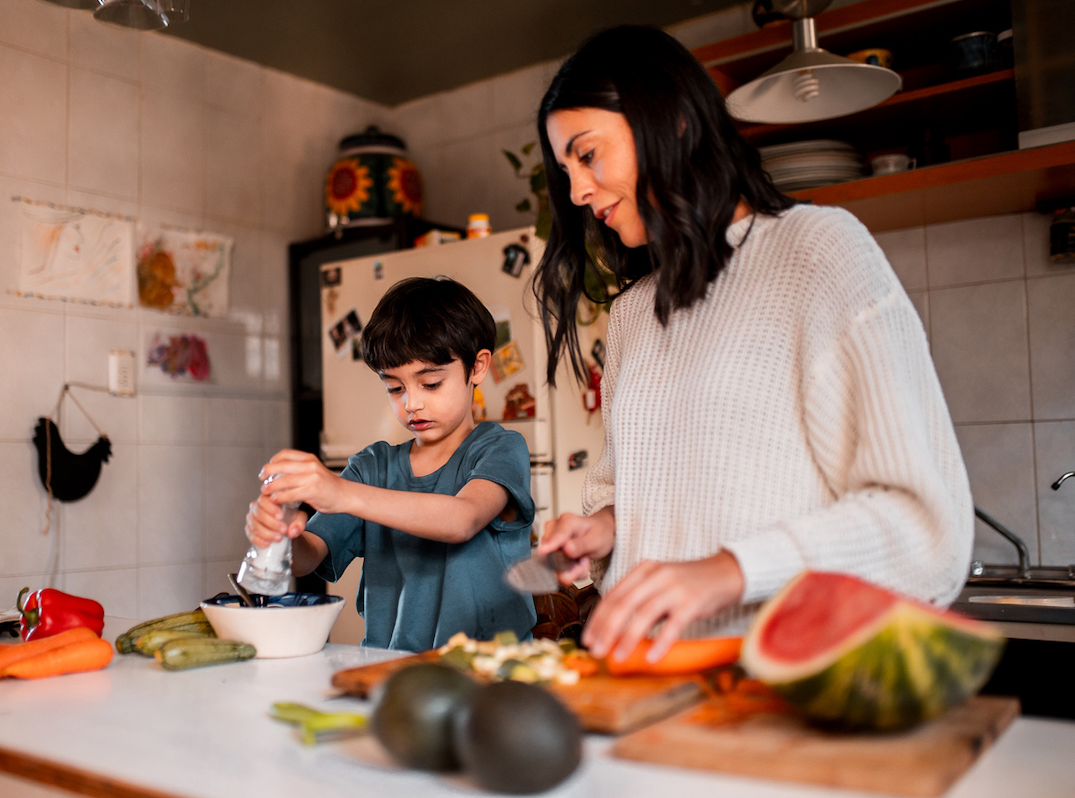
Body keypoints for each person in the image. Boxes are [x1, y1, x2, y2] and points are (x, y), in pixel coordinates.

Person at [532, 26, 973, 665]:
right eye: (564, 170)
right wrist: (602, 531)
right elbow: (643, 494)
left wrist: (730, 569)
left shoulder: (817, 250)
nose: (576, 193)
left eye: (588, 155)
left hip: (784, 690)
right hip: (647, 686)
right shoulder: (631, 314)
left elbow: (923, 525)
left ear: (675, 122)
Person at [245, 277, 537, 652]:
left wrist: (341, 493)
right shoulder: (372, 468)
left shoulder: (498, 448)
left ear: (478, 367)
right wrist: (282, 534)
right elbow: (309, 556)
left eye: (430, 383)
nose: (411, 403)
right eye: (395, 388)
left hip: (490, 677)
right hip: (391, 670)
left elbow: (462, 519)